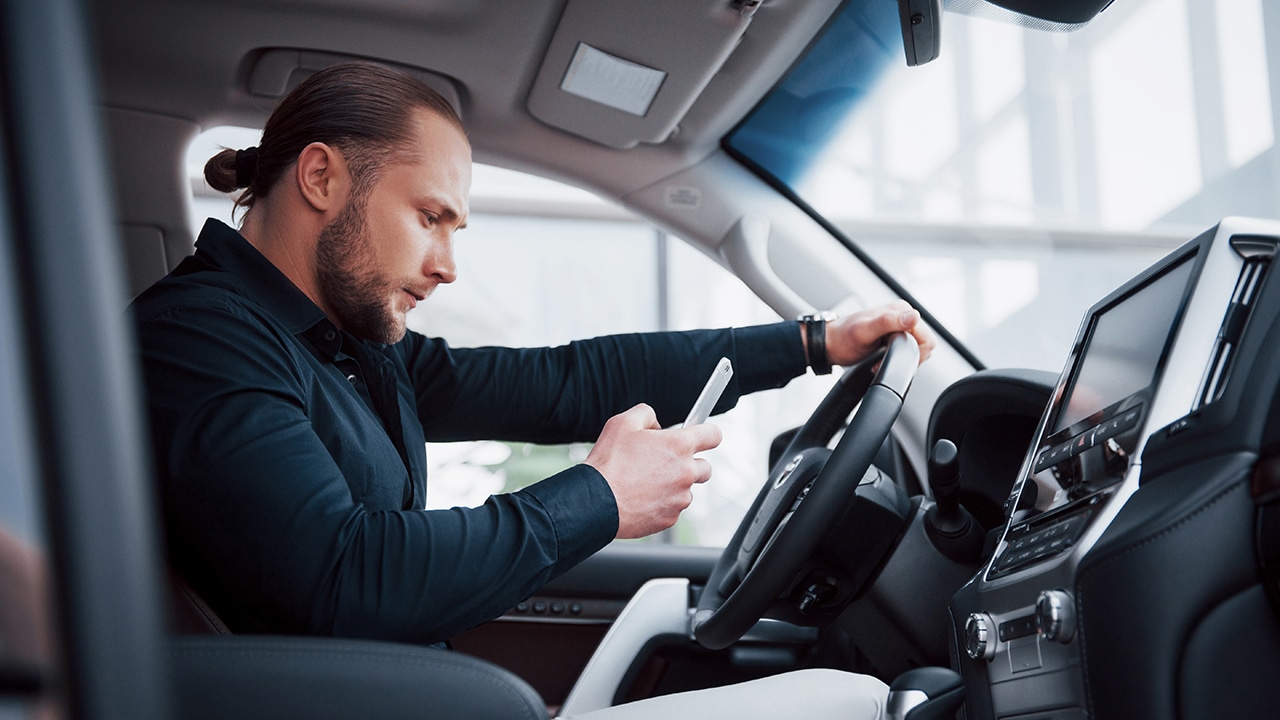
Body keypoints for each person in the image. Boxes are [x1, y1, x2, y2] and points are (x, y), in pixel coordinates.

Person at [132, 61, 935, 717]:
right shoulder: (200, 340)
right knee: (856, 703)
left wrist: (810, 342)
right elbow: (342, 578)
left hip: (409, 693)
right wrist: (599, 496)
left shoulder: (348, 342)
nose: (448, 263)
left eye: (456, 230)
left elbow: (559, 381)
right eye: (429, 217)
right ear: (320, 178)